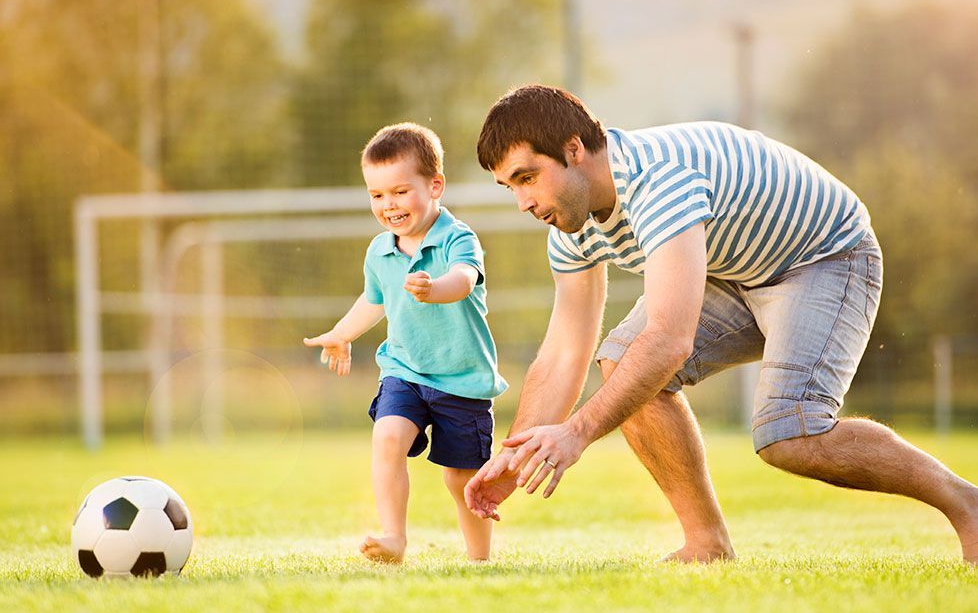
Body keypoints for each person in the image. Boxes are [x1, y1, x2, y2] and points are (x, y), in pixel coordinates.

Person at [463, 84, 978, 563]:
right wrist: (516, 455)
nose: (523, 202)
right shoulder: (571, 226)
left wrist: (576, 432)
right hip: (733, 270)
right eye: (510, 186)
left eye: (527, 178)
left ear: (574, 150)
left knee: (789, 434)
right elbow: (562, 354)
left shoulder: (658, 181)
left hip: (823, 256)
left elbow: (668, 340)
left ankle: (967, 503)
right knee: (622, 361)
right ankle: (706, 544)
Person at [304, 123, 507, 563]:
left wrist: (434, 288)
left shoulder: (458, 238)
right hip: (405, 370)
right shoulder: (379, 250)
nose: (388, 205)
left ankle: (478, 557)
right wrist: (341, 333)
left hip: (462, 379)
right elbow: (373, 299)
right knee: (388, 436)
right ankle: (394, 537)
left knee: (461, 478)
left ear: (435, 186)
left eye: (399, 192)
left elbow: (464, 279)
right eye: (376, 195)